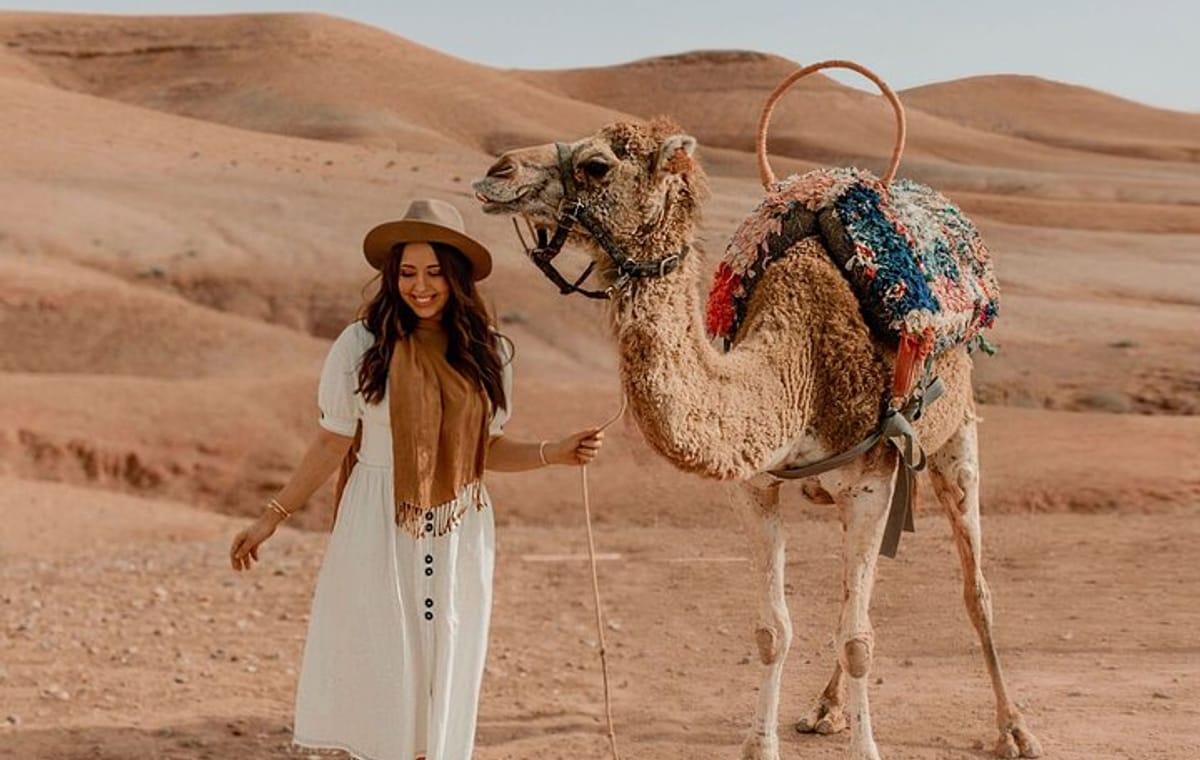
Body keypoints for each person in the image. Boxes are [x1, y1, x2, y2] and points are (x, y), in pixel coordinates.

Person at [228, 198, 604, 760]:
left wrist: (557, 452)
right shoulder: (361, 345)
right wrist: (271, 517)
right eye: (407, 273)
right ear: (391, 276)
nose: (419, 286)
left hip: (459, 522)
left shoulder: (490, 353)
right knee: (384, 656)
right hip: (378, 516)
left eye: (433, 273)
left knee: (446, 650)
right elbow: (333, 440)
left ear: (455, 276)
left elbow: (485, 450)